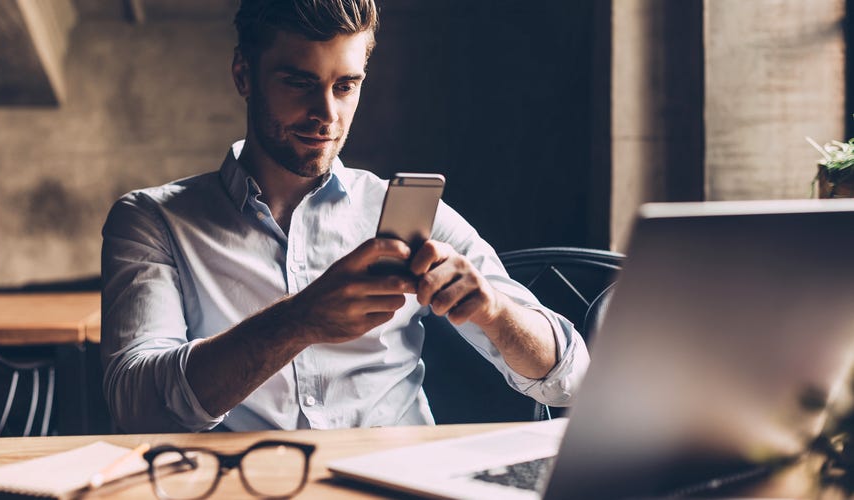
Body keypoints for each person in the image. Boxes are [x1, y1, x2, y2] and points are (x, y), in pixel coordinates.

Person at [101, 0, 589, 433]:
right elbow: (138, 406)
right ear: (243, 74)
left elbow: (570, 377)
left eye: (345, 85)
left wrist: (495, 312)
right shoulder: (151, 221)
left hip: (400, 483)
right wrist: (299, 320)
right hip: (249, 487)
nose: (326, 113)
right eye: (300, 82)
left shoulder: (404, 211)